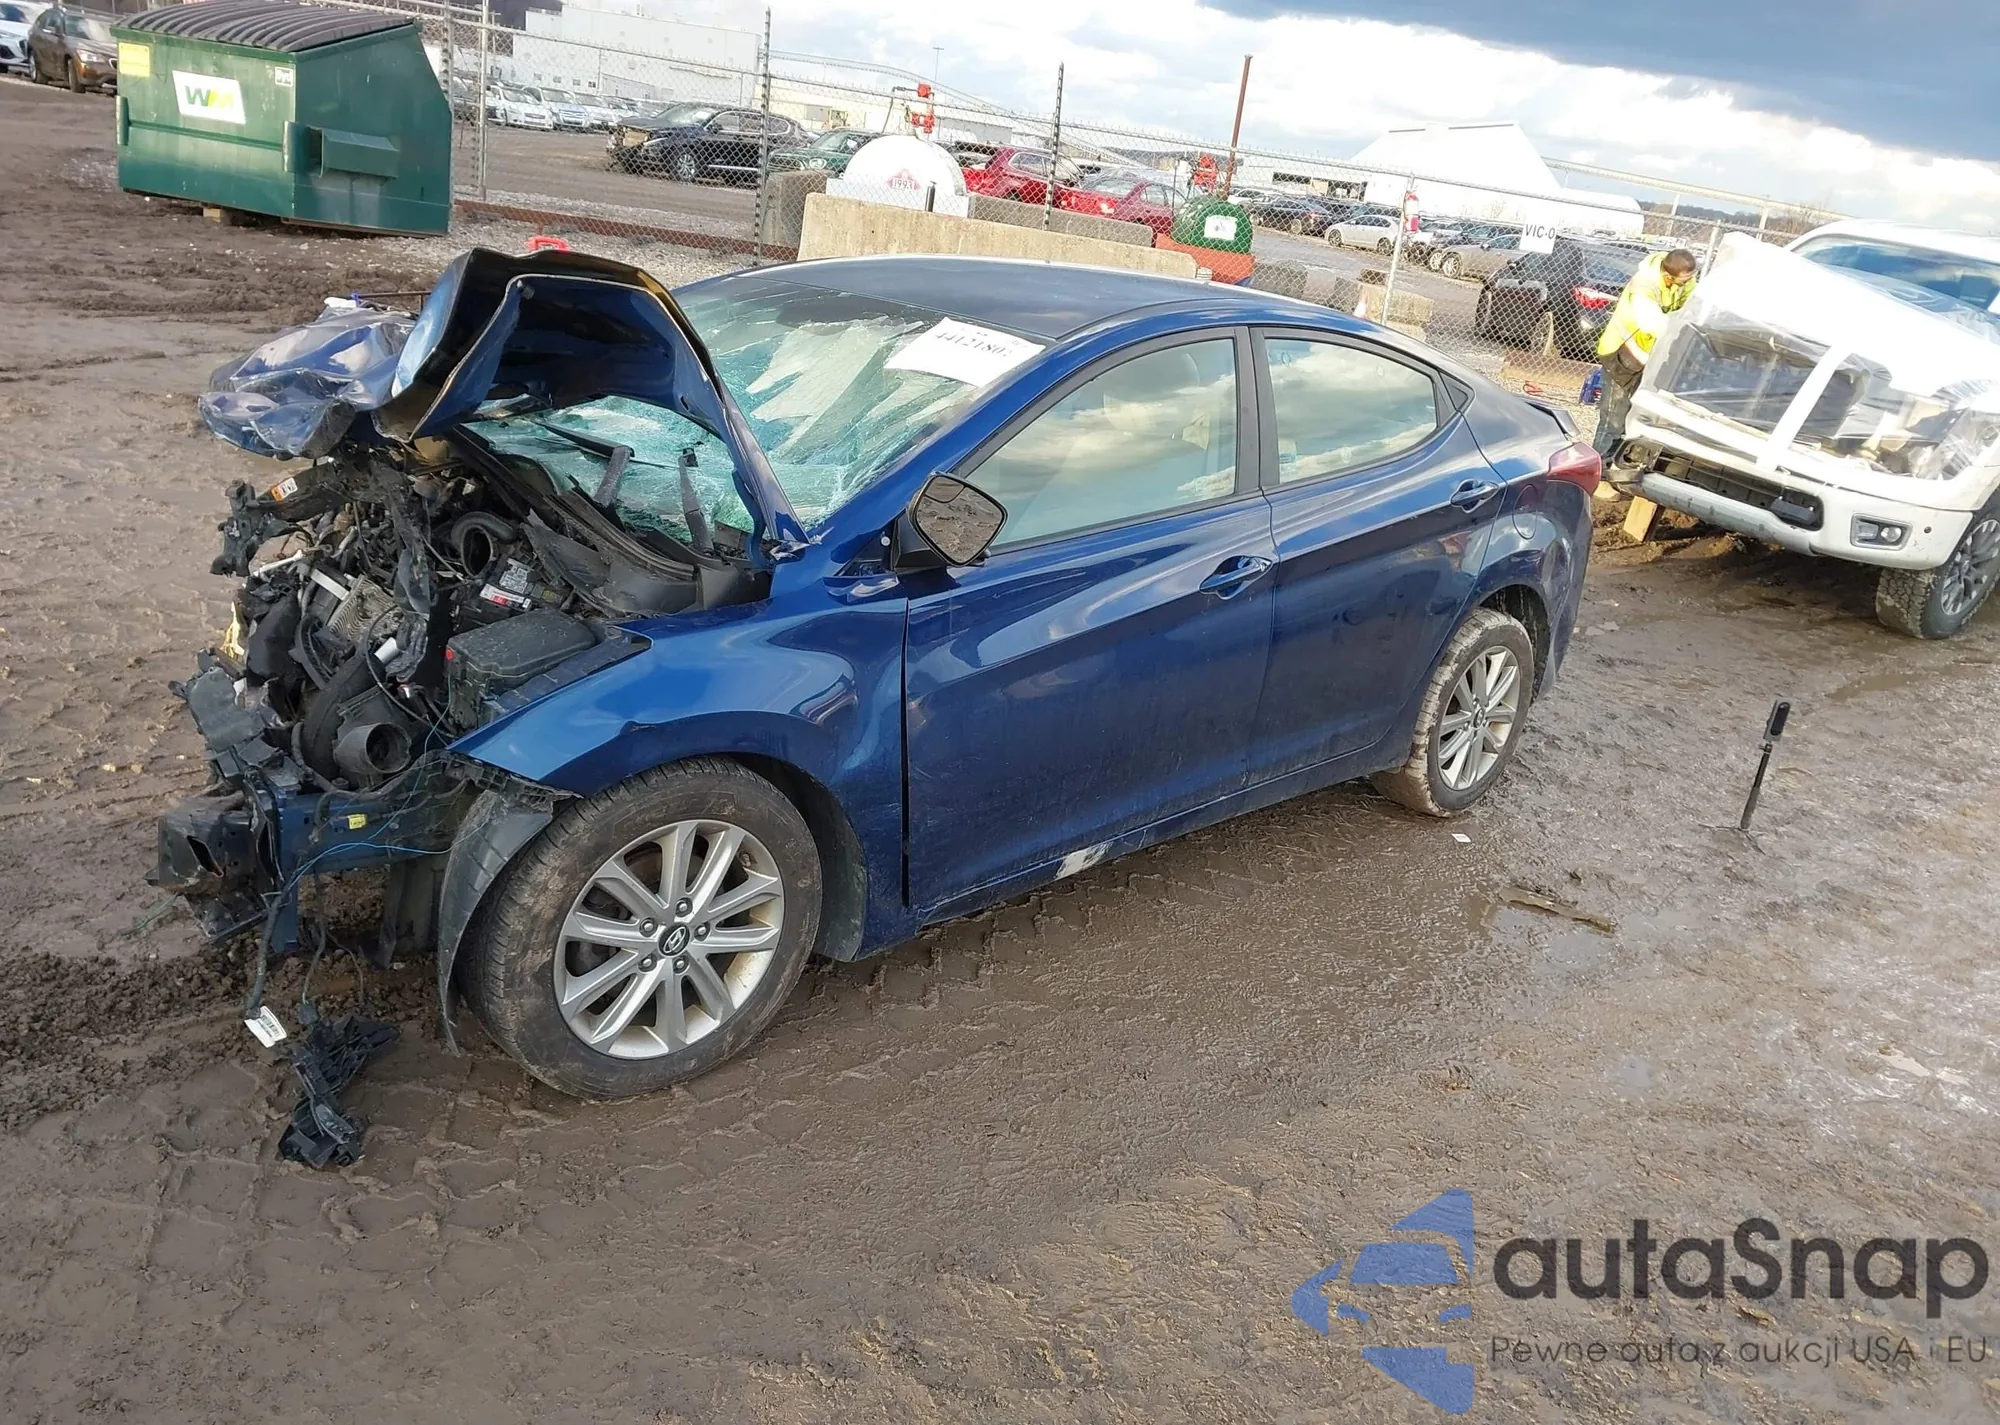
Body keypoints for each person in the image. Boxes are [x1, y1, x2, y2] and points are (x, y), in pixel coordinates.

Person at [1592, 248, 1699, 459]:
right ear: (1668, 276)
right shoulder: (1644, 285)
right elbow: (1652, 324)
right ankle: (1598, 464)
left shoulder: (1685, 281)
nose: (1687, 283)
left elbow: (1695, 307)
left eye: (1690, 278)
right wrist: (1680, 327)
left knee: (1637, 416)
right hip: (1622, 355)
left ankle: (1619, 464)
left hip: (1649, 358)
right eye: (1683, 280)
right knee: (1613, 418)